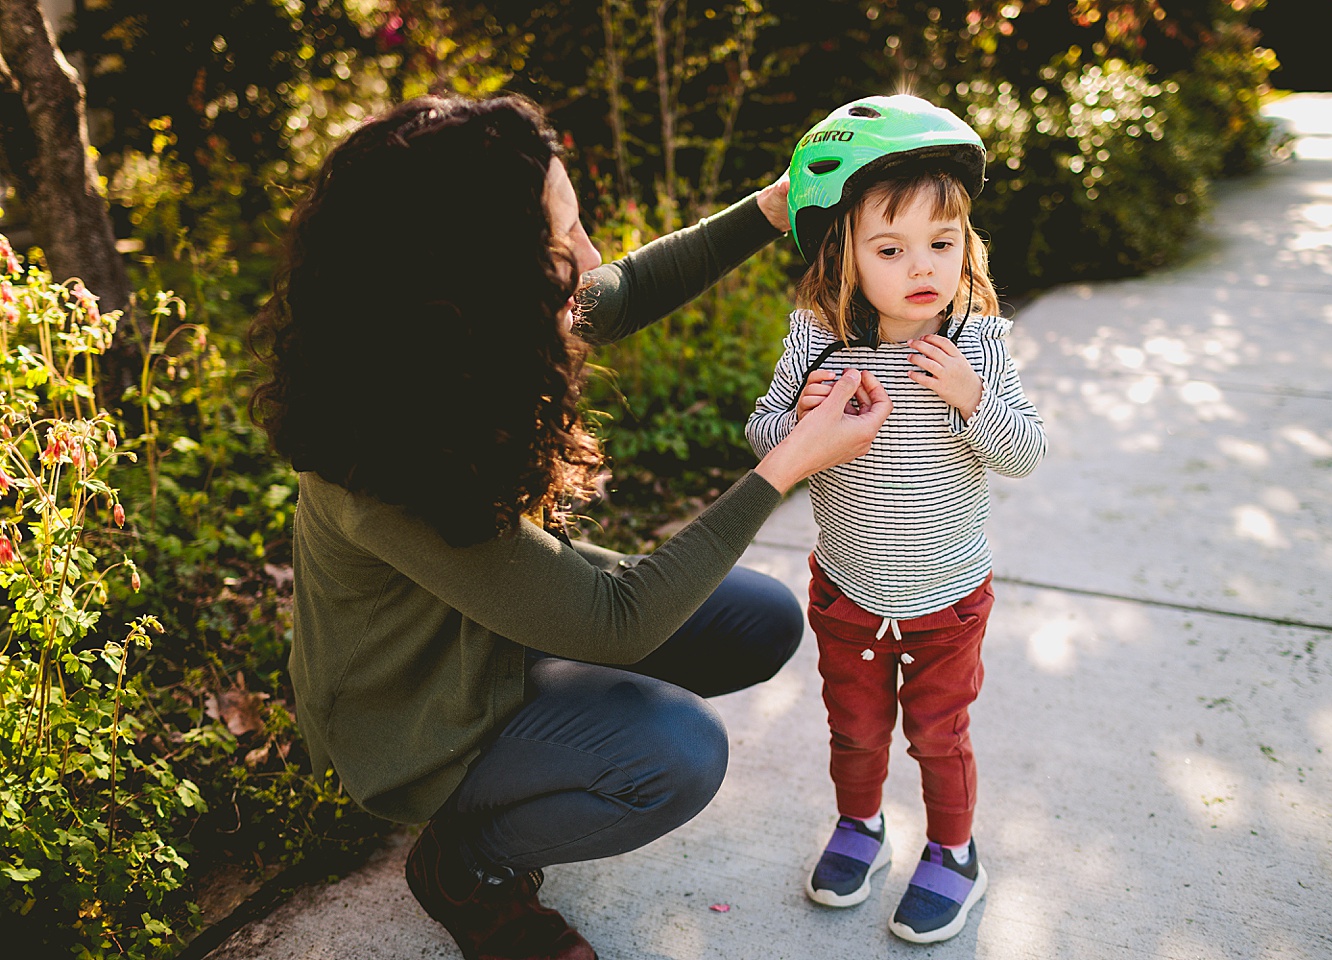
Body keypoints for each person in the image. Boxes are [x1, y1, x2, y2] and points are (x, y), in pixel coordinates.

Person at [248, 93, 893, 960]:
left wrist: (769, 209)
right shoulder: (382, 465)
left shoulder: (452, 334)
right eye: (564, 243)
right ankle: (464, 861)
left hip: (487, 626)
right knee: (675, 753)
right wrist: (786, 463)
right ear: (478, 274)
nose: (589, 259)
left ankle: (541, 760)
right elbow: (615, 623)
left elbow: (620, 292)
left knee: (760, 619)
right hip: (416, 720)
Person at [747, 94, 1047, 945]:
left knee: (940, 736)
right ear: (844, 252)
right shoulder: (817, 337)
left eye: (942, 244)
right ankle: (861, 827)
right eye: (892, 248)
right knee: (853, 728)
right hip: (848, 592)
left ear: (965, 248)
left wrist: (971, 401)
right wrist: (798, 417)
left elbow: (1024, 452)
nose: (924, 266)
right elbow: (763, 440)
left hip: (947, 599)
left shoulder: (977, 345)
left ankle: (954, 852)